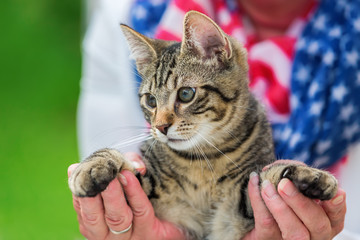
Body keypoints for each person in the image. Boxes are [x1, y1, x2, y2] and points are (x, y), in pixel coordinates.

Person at [70, 0, 360, 239]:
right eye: (151, 102)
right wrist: (110, 173)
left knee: (265, 188)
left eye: (184, 95)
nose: (162, 122)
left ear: (219, 55)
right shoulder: (123, 12)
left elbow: (250, 203)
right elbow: (115, 189)